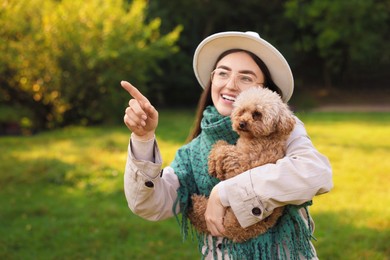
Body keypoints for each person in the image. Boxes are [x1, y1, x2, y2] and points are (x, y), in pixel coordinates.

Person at [121, 31, 333, 259]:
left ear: (264, 90)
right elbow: (149, 205)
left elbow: (316, 173)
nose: (230, 84)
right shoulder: (193, 152)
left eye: (246, 78)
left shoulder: (282, 130)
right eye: (222, 73)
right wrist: (144, 138)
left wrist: (225, 192)